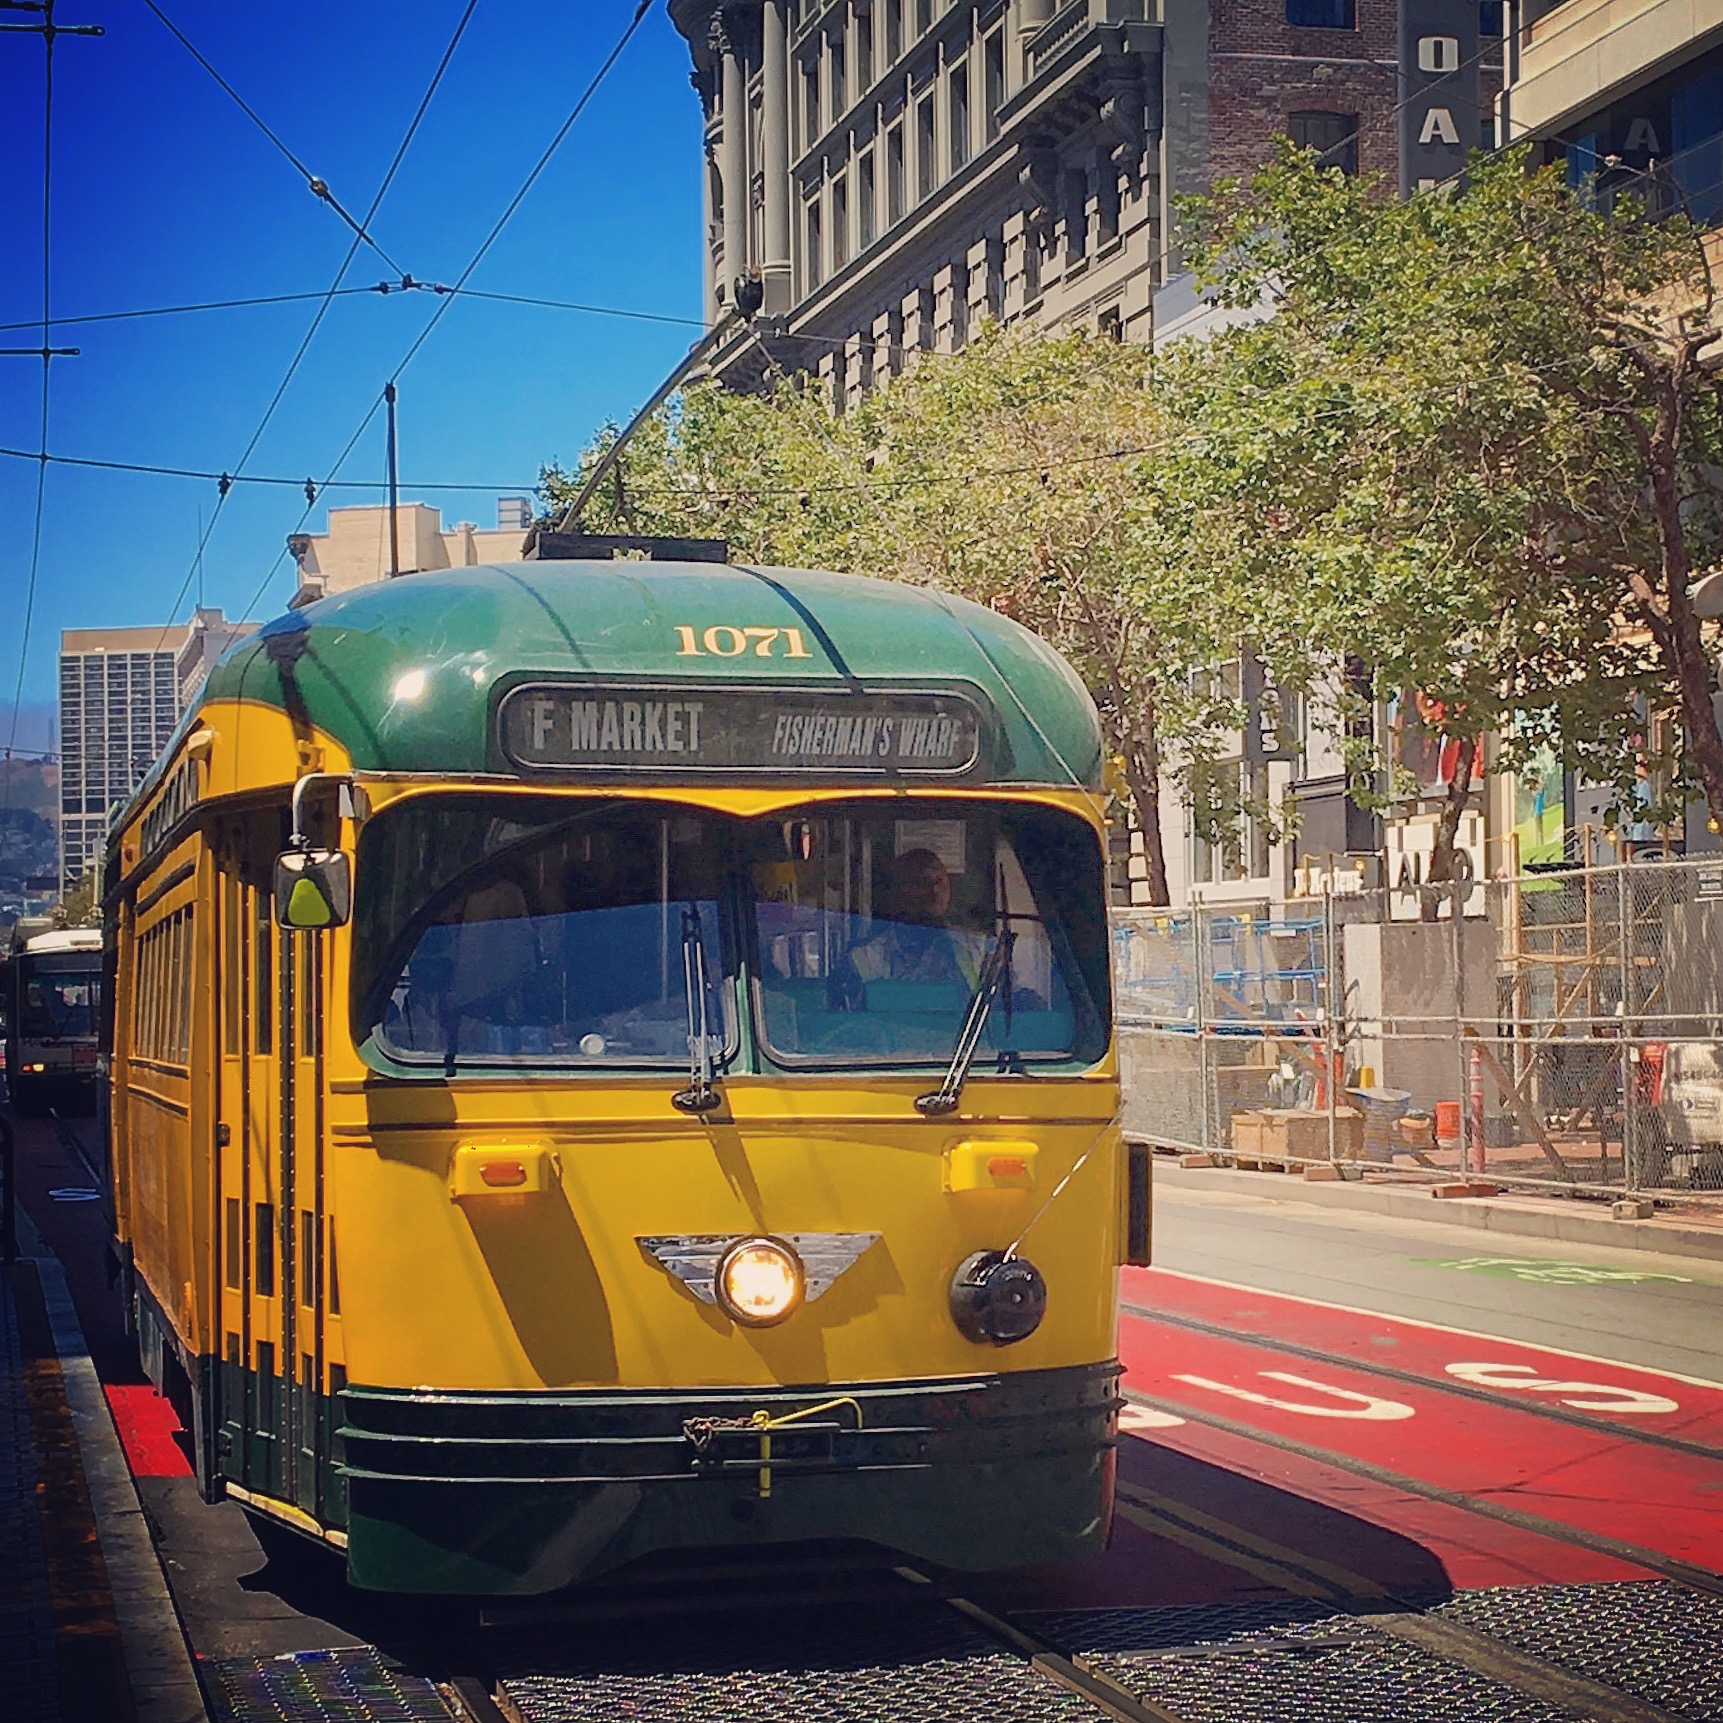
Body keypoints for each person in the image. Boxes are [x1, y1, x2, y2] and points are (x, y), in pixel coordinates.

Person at [835, 848, 985, 1006]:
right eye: (923, 883)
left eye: (939, 882)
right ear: (898, 891)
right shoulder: (864, 957)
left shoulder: (977, 950)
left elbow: (999, 1016)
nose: (934, 891)